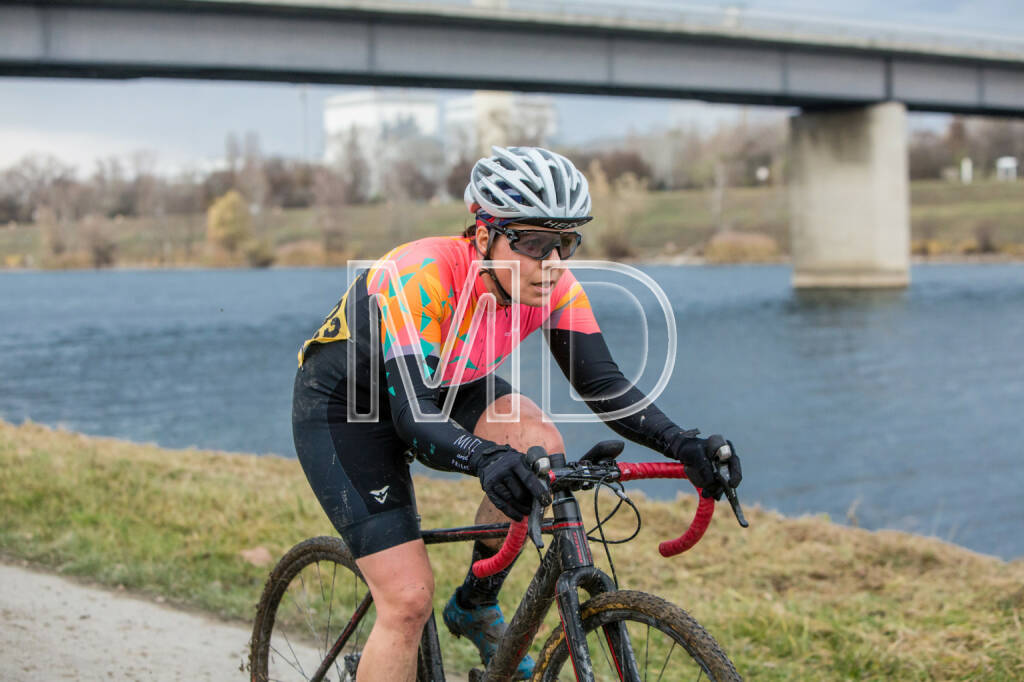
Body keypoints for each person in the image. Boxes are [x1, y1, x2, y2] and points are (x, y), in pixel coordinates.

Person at [291, 146, 742, 681]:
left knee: (539, 442)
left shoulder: (551, 284)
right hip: (349, 408)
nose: (551, 263)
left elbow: (603, 385)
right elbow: (414, 415)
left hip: (447, 382)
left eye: (565, 243)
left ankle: (477, 602)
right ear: (483, 236)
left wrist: (681, 442)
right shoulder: (419, 273)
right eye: (532, 242)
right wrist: (485, 459)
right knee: (407, 601)